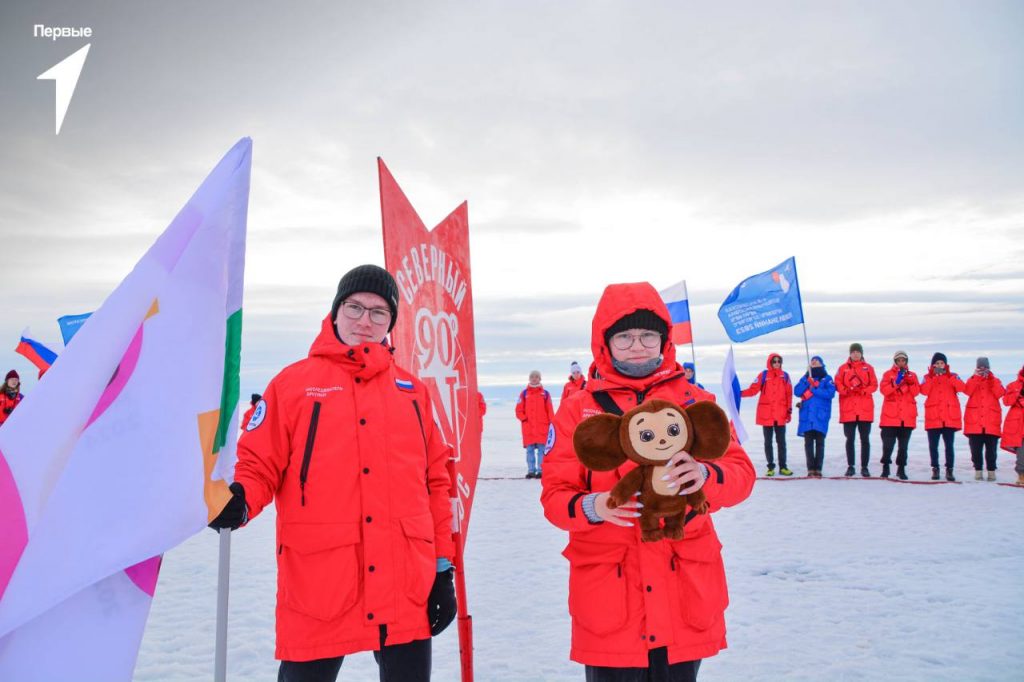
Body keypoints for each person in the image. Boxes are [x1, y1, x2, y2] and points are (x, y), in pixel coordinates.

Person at [208, 265, 456, 682]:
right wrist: (241, 498)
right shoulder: (292, 385)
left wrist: (443, 568)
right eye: (355, 307)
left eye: (379, 313)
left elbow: (436, 483)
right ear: (335, 312)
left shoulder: (414, 392)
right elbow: (259, 463)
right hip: (322, 581)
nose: (365, 320)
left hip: (405, 580)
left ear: (391, 323)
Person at [541, 282, 755, 682]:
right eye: (624, 336)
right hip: (611, 597)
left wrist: (707, 475)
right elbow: (555, 496)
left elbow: (742, 473)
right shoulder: (576, 410)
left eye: (647, 335)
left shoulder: (697, 401)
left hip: (683, 590)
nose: (636, 345)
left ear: (664, 340)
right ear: (605, 343)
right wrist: (595, 507)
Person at [740, 353, 793, 477]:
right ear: (770, 362)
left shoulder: (785, 376)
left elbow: (789, 394)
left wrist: (789, 410)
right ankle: (770, 467)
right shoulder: (763, 375)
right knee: (768, 442)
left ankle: (783, 467)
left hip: (780, 414)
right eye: (774, 361)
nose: (776, 363)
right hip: (767, 414)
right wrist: (739, 393)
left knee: (782, 442)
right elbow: (753, 390)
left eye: (778, 361)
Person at [919, 352, 966, 481]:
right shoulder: (927, 377)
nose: (940, 365)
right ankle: (935, 469)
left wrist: (949, 376)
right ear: (933, 365)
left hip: (949, 418)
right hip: (933, 417)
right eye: (937, 363)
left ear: (946, 364)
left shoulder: (953, 376)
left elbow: (963, 388)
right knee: (933, 446)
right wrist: (932, 377)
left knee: (949, 446)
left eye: (942, 363)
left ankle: (949, 470)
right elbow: (923, 391)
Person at [834, 343, 878, 477]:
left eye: (858, 352)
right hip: (849, 410)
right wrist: (846, 390)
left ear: (861, 353)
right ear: (850, 353)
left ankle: (864, 467)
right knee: (850, 439)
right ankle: (851, 466)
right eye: (853, 352)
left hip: (864, 410)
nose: (855, 354)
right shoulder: (843, 368)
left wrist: (864, 391)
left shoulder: (868, 368)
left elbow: (874, 385)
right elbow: (838, 383)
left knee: (865, 439)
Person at [878, 351, 920, 480]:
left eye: (903, 360)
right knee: (888, 446)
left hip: (906, 417)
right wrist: (896, 382)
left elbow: (916, 392)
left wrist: (910, 382)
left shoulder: (912, 375)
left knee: (903, 447)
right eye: (899, 360)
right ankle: (886, 467)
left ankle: (901, 469)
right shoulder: (887, 374)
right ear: (895, 361)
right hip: (890, 417)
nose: (901, 362)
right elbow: (884, 391)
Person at [964, 356, 1005, 481]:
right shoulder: (972, 380)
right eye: (980, 367)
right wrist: (977, 378)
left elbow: (1000, 393)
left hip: (991, 421)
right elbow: (967, 391)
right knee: (975, 449)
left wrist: (991, 380)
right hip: (974, 422)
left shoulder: (995, 380)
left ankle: (991, 471)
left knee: (991, 450)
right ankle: (978, 470)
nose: (983, 369)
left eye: (985, 367)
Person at [794, 356, 835, 478]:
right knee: (808, 443)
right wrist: (807, 380)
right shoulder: (806, 377)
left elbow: (830, 393)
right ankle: (810, 468)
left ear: (822, 364)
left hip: (821, 415)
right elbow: (797, 391)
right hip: (807, 415)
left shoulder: (827, 379)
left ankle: (818, 468)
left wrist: (815, 388)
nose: (814, 362)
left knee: (820, 443)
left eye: (817, 361)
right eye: (812, 362)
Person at [516, 369, 555, 479]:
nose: (534, 378)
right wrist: (524, 419)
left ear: (539, 379)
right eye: (532, 377)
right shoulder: (524, 394)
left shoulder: (545, 394)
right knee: (530, 451)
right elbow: (518, 410)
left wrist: (552, 424)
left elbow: (550, 411)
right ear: (529, 379)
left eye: (536, 377)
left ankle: (541, 471)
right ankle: (531, 470)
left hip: (543, 427)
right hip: (528, 428)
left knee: (542, 451)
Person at [1000, 364, 1024, 485]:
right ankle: (1021, 475)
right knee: (1021, 452)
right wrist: (1018, 394)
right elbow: (1006, 401)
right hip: (1017, 424)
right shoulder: (1013, 385)